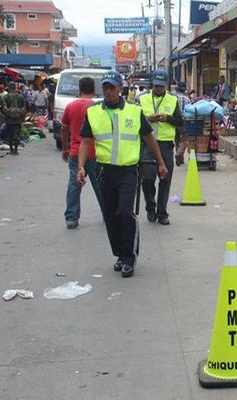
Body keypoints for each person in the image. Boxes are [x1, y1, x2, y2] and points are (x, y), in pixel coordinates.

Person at [77, 70, 168, 278]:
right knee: (109, 215)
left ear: (120, 89)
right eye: (105, 87)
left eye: (112, 87)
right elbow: (85, 141)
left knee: (125, 213)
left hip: (128, 171)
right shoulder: (93, 112)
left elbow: (149, 138)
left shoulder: (134, 112)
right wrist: (81, 166)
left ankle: (129, 257)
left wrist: (160, 162)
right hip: (105, 171)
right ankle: (120, 254)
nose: (108, 91)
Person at [139, 69, 184, 225]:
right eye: (156, 86)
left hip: (165, 145)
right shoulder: (142, 98)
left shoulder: (172, 100)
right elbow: (134, 120)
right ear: (152, 84)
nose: (159, 89)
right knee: (148, 178)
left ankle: (162, 213)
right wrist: (146, 119)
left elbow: (180, 121)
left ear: (166, 85)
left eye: (161, 86)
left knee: (165, 179)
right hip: (148, 144)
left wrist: (168, 118)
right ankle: (150, 207)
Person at [60, 77, 102, 229]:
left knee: (74, 184)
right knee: (100, 185)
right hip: (95, 152)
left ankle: (71, 218)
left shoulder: (70, 106)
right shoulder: (98, 107)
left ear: (79, 89)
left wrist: (65, 148)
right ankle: (107, 214)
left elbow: (63, 129)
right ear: (94, 90)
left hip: (76, 152)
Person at [4, 82, 26, 155]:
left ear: (9, 88)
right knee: (16, 135)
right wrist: (23, 118)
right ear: (15, 88)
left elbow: (3, 108)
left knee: (9, 135)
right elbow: (24, 108)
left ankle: (11, 149)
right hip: (18, 119)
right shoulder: (20, 97)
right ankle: (16, 150)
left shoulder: (6, 97)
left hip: (9, 119)